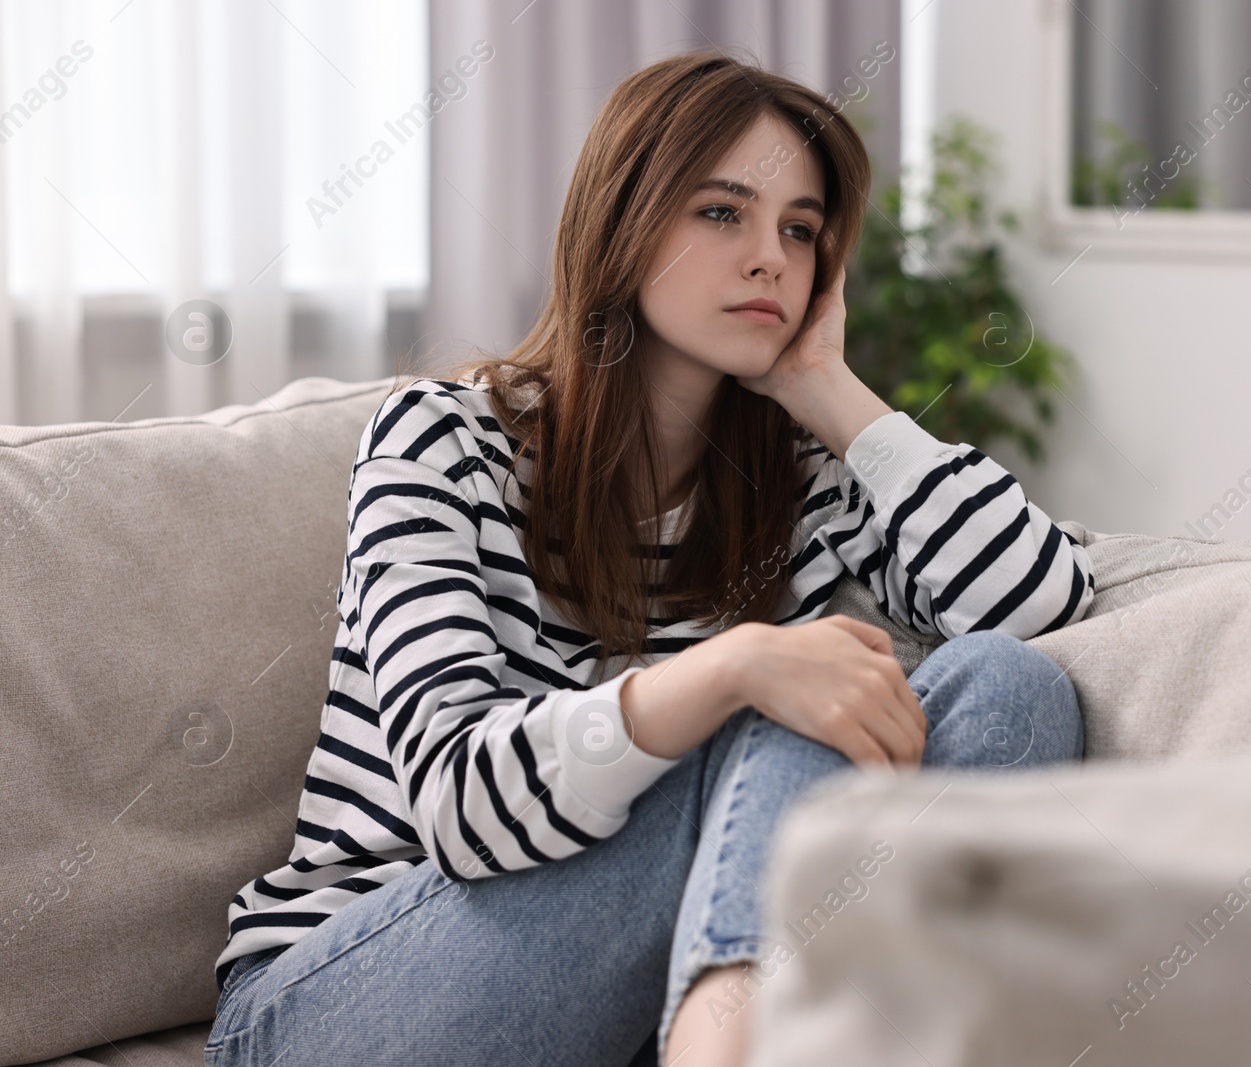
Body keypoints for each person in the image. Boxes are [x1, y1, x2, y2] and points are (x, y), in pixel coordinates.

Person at [203, 47, 1096, 1067]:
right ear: (623, 226)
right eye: (723, 212)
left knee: (1007, 681)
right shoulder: (438, 442)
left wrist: (828, 387)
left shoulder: (808, 482)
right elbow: (460, 804)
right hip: (335, 1008)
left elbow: (1034, 602)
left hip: (620, 1012)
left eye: (799, 230)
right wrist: (733, 667)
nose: (769, 256)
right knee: (780, 692)